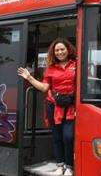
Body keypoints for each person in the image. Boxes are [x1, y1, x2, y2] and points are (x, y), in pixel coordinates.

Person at [18, 38, 76, 176]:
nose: (60, 52)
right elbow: (44, 88)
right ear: (53, 52)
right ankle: (60, 165)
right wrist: (29, 77)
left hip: (71, 106)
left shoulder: (76, 65)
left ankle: (69, 166)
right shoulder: (50, 68)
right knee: (56, 137)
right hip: (53, 105)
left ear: (68, 50)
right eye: (57, 50)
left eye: (62, 49)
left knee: (68, 136)